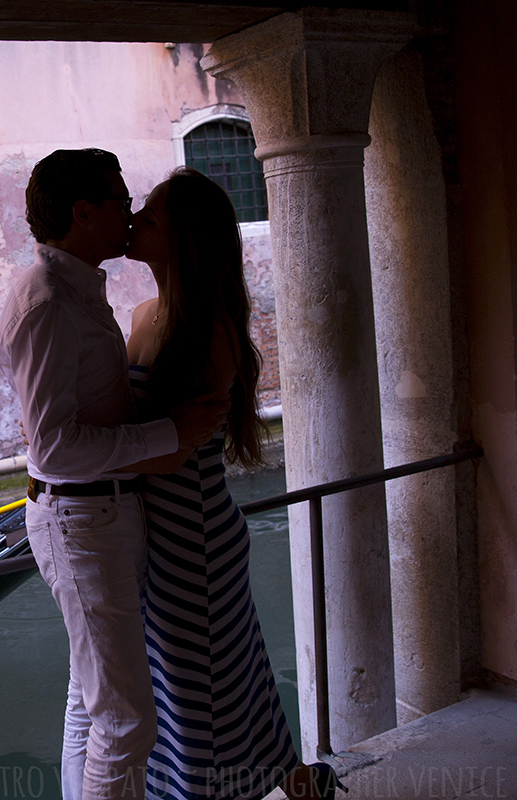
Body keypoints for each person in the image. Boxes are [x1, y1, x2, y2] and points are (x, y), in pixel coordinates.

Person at [0, 149, 228, 800]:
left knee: (88, 702)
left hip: (99, 514)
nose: (131, 214)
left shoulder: (73, 287)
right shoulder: (46, 300)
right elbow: (55, 449)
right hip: (83, 519)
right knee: (127, 724)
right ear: (84, 212)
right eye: (123, 203)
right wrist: (172, 435)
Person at [124, 167, 346, 800]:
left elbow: (166, 457)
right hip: (162, 540)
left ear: (185, 238)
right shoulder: (142, 316)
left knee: (204, 705)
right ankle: (304, 786)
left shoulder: (209, 333)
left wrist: (77, 468)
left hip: (194, 540)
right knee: (229, 682)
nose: (136, 219)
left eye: (154, 215)